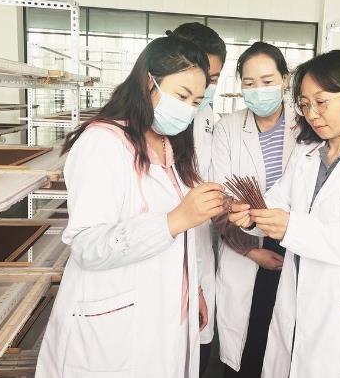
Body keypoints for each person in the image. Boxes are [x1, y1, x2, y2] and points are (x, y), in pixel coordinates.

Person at [35, 35, 225, 378]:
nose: (188, 109)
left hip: (168, 310)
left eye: (196, 101)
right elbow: (87, 246)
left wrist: (191, 288)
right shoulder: (102, 143)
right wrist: (173, 221)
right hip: (116, 323)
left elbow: (181, 238)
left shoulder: (169, 144)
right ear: (148, 81)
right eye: (181, 95)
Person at [229, 50, 340, 378]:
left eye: (322, 102)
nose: (312, 114)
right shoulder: (307, 153)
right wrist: (251, 216)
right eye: (304, 104)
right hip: (298, 297)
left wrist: (292, 228)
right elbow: (277, 202)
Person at [211, 42, 299, 377]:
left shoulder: (305, 126)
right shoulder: (228, 128)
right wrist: (251, 251)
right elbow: (220, 199)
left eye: (267, 81)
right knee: (247, 347)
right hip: (244, 244)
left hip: (295, 244)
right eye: (249, 83)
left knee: (285, 345)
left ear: (284, 79)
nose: (258, 90)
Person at [170, 22, 227, 377]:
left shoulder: (207, 118)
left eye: (214, 79)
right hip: (163, 256)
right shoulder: (150, 125)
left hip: (199, 251)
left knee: (198, 355)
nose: (204, 88)